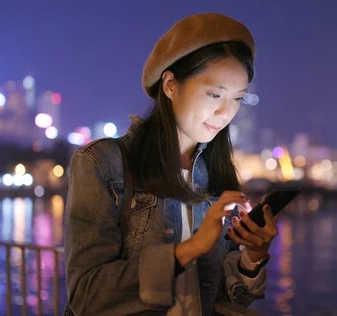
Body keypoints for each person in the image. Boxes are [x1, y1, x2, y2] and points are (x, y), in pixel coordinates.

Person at [63, 13, 278, 315]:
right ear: (170, 85)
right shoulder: (103, 164)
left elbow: (227, 297)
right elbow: (87, 296)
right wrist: (189, 248)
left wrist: (253, 256)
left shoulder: (216, 172)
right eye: (214, 94)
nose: (225, 112)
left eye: (238, 98)